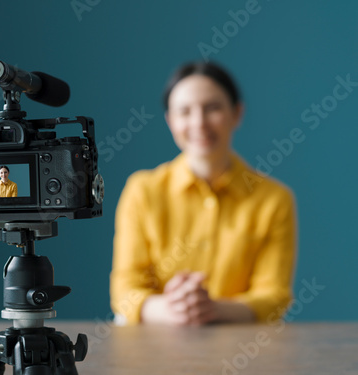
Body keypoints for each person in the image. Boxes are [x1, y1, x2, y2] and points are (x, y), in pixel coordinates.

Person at [110, 61, 297, 326]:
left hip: (243, 347)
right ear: (170, 121)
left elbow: (274, 296)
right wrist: (173, 309)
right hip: (157, 343)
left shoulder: (274, 199)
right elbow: (125, 290)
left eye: (213, 108)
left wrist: (212, 309)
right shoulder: (142, 191)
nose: (199, 123)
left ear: (237, 114)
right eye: (184, 111)